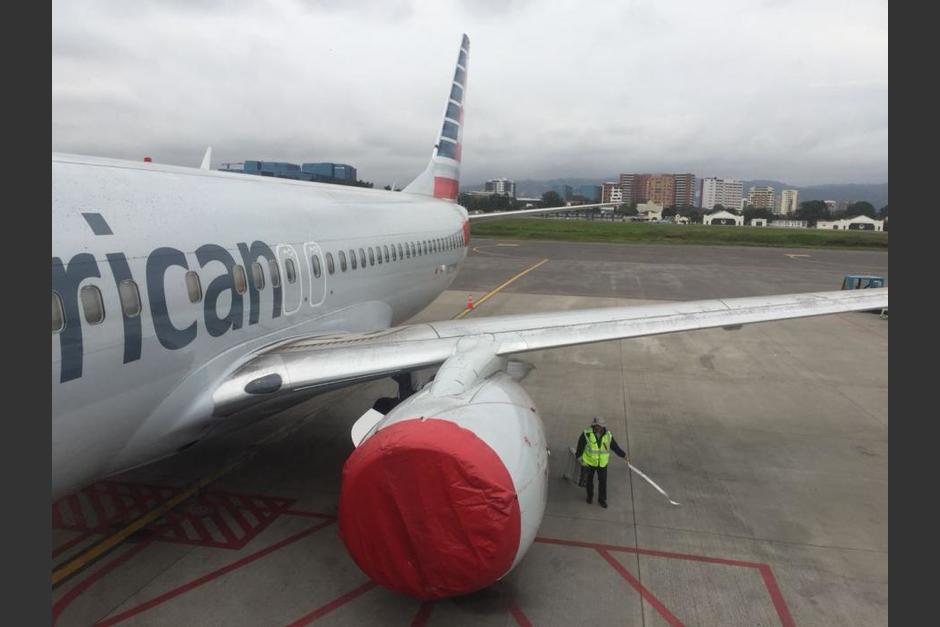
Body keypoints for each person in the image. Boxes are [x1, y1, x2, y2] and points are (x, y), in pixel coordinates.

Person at [575, 416, 628, 508]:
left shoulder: (608, 435)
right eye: (595, 425)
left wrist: (623, 455)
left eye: (599, 426)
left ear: (603, 426)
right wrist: (578, 457)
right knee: (589, 481)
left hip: (602, 464)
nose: (597, 427)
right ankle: (590, 497)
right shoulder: (586, 434)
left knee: (603, 482)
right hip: (589, 463)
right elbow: (580, 446)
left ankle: (602, 500)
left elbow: (615, 447)